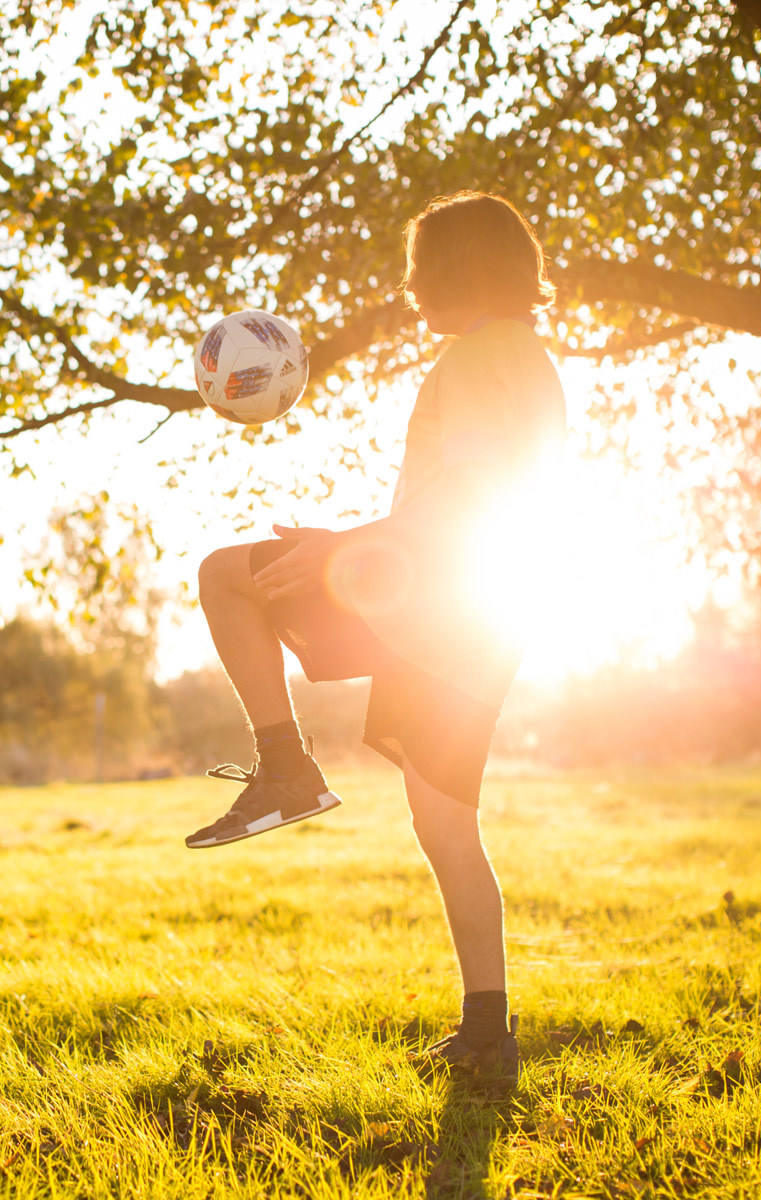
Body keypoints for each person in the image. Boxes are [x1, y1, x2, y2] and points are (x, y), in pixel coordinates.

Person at [187, 190, 566, 1082]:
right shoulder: (531, 357)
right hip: (482, 614)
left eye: (421, 265)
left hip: (428, 595)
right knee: (444, 824)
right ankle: (488, 1035)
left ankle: (283, 764)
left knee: (224, 575)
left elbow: (472, 492)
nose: (409, 284)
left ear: (457, 268)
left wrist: (345, 547)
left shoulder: (476, 356)